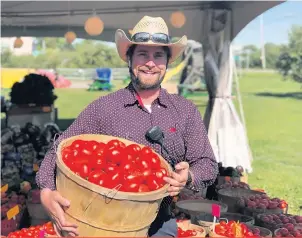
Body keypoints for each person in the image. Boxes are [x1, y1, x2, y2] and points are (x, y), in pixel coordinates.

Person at [36, 16, 218, 237]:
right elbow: (59, 148)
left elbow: (207, 163)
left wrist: (188, 176)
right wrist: (46, 191)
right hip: (106, 223)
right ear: (129, 59)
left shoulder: (185, 111)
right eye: (142, 54)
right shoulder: (103, 109)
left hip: (160, 222)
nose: (150, 63)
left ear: (166, 62)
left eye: (158, 55)